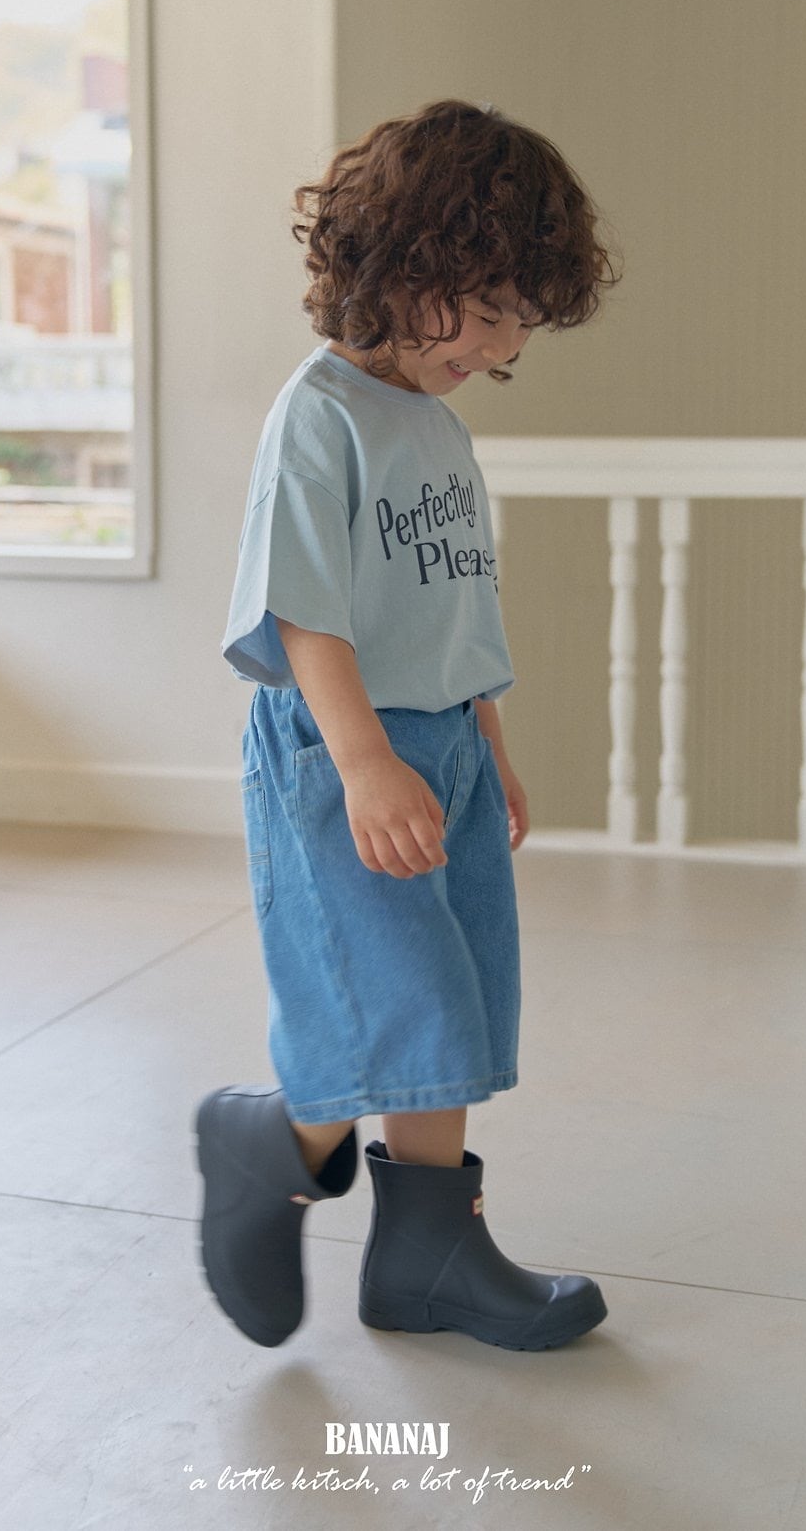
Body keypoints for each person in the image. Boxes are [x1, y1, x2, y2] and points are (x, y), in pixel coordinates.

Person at [195, 98, 620, 1351]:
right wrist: (364, 759)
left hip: (441, 744)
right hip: (346, 746)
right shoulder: (317, 415)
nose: (501, 343)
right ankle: (269, 1143)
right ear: (401, 261)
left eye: (519, 320)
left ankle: (425, 1256)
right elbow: (302, 609)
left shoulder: (435, 424)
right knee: (397, 994)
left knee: (462, 996)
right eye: (484, 307)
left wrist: (486, 743)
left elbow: (453, 599)